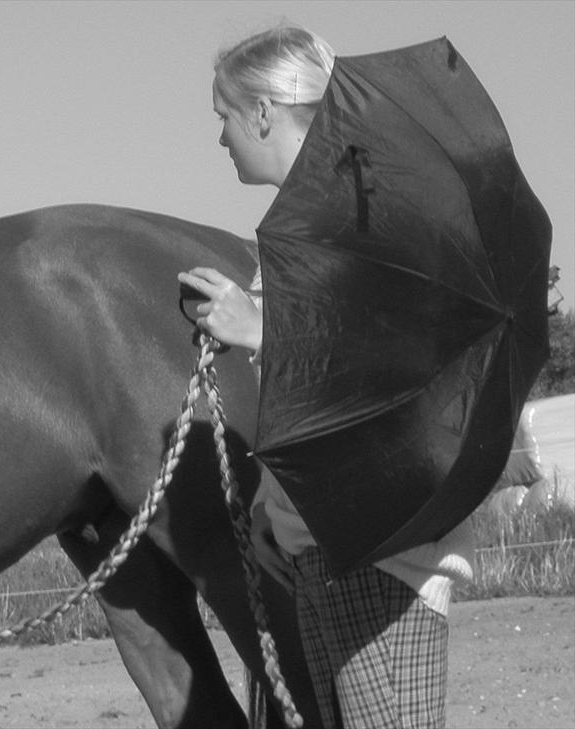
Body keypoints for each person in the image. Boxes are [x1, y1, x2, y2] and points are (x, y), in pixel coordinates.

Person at [178, 26, 475, 729]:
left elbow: (391, 366)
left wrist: (257, 329)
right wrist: (270, 506)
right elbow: (316, 399)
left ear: (261, 112)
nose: (221, 137)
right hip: (321, 540)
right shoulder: (310, 219)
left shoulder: (364, 213)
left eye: (224, 115)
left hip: (379, 549)